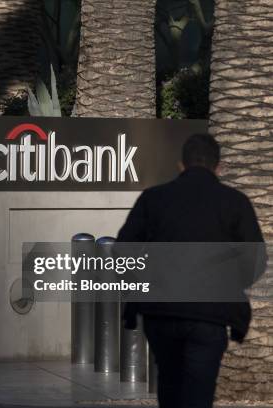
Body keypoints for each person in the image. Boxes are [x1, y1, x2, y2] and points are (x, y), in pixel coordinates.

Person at [117, 133, 266, 408]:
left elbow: (122, 251)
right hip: (209, 315)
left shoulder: (154, 199)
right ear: (218, 167)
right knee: (199, 392)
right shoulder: (234, 202)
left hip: (160, 312)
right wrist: (227, 284)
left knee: (170, 384)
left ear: (180, 165)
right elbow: (255, 259)